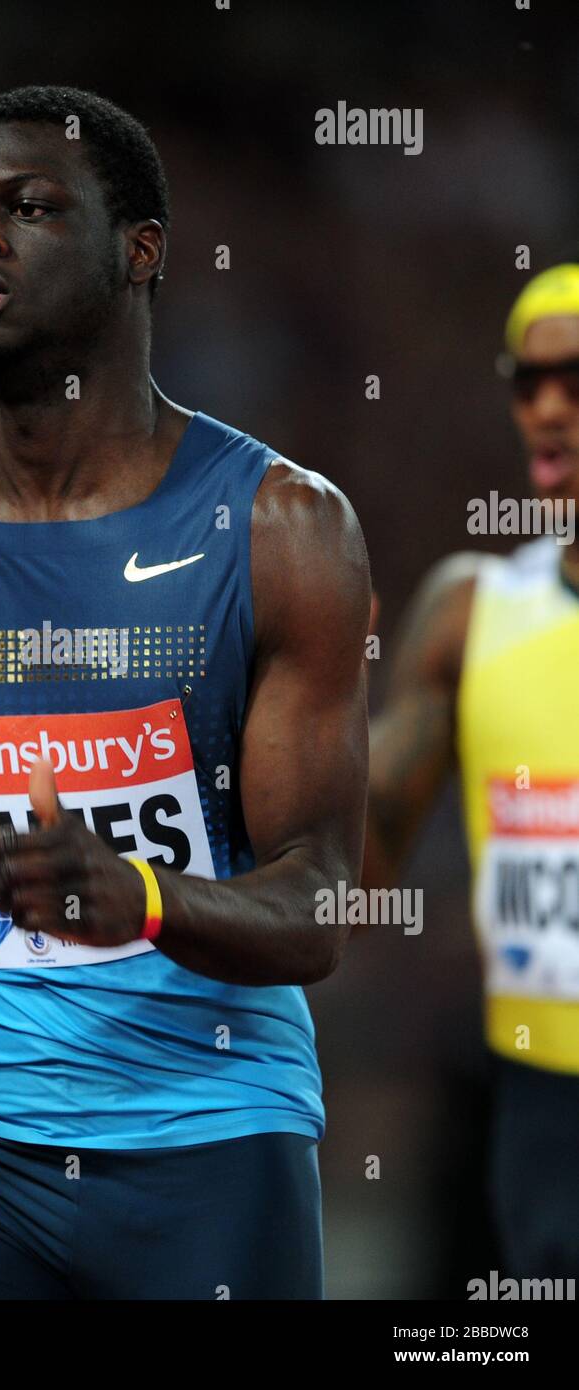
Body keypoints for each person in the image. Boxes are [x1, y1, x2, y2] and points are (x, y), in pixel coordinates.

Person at [0, 85, 371, 1301]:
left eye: (26, 207)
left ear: (138, 250)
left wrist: (138, 896)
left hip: (207, 1135)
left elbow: (316, 904)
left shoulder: (279, 530)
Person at [362, 263, 579, 1280]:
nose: (544, 408)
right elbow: (348, 866)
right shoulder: (469, 610)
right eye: (525, 381)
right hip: (538, 1102)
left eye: (574, 380)